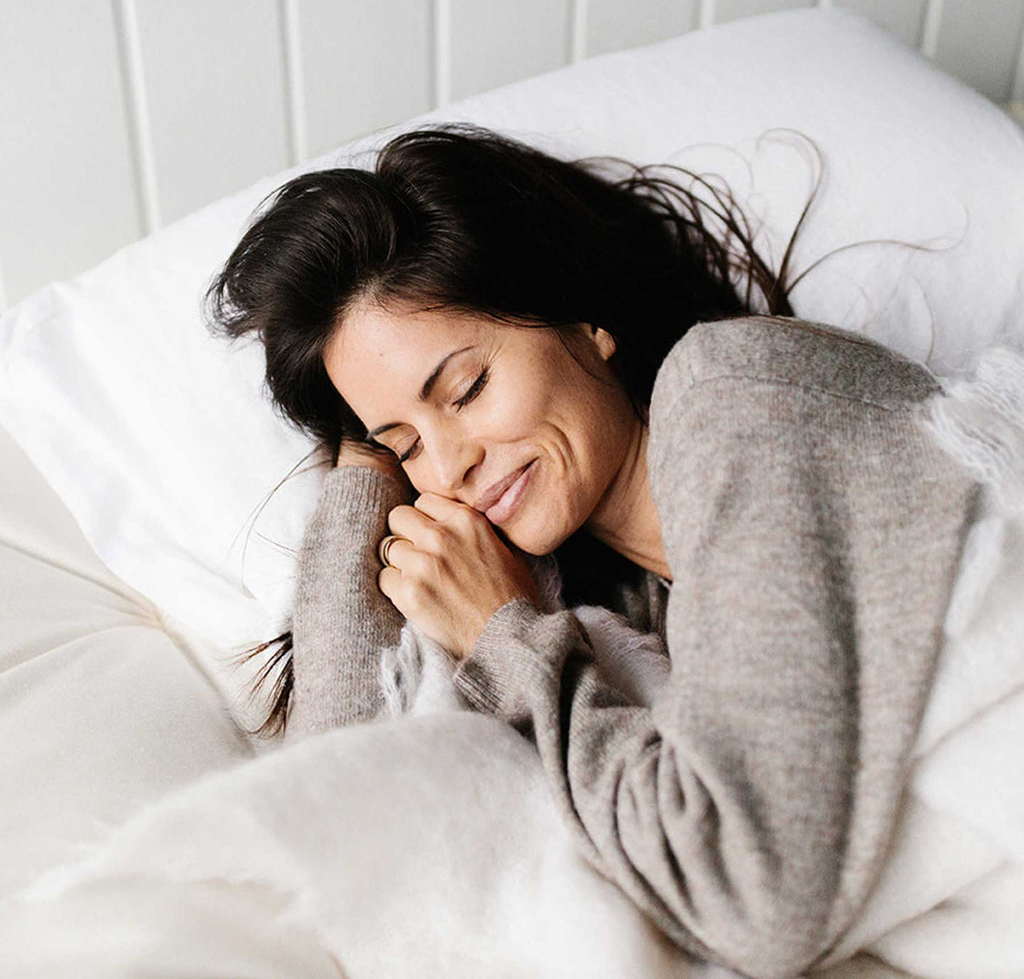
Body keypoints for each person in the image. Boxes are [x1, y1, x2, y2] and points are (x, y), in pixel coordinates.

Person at [203, 122, 980, 978]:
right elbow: (342, 816)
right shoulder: (638, 609)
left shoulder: (734, 391)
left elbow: (752, 895)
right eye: (408, 446)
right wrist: (361, 461)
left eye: (467, 388)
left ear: (583, 319)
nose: (450, 465)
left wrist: (511, 636)